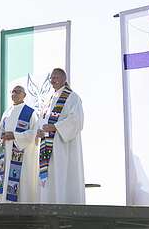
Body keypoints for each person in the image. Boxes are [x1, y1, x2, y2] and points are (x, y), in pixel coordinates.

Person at [37, 68, 85, 204]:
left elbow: (76, 120)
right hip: (47, 147)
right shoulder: (49, 99)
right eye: (51, 78)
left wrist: (55, 127)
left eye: (56, 77)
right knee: (51, 180)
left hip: (63, 147)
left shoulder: (72, 97)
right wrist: (40, 131)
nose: (53, 80)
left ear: (64, 79)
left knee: (63, 177)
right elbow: (42, 119)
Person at [0, 85, 39, 203]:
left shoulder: (30, 112)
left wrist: (15, 135)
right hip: (7, 152)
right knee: (5, 180)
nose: (14, 93)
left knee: (21, 181)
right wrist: (2, 135)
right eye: (13, 91)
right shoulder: (7, 112)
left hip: (21, 154)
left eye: (18, 91)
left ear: (24, 95)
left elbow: (33, 133)